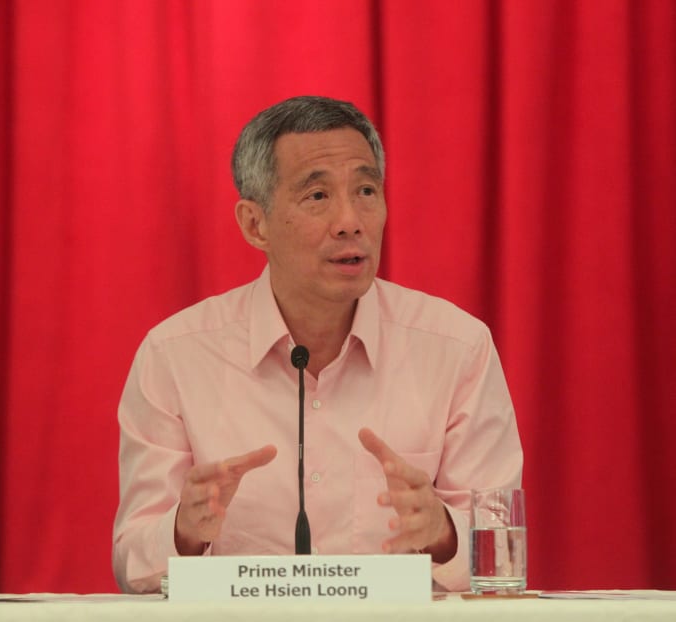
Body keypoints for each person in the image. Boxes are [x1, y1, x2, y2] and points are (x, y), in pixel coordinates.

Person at [112, 95, 522, 593]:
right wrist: (182, 530)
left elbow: (503, 560)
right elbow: (132, 562)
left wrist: (443, 534)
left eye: (366, 190)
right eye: (318, 196)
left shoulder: (457, 348)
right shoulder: (175, 356)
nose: (351, 220)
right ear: (254, 224)